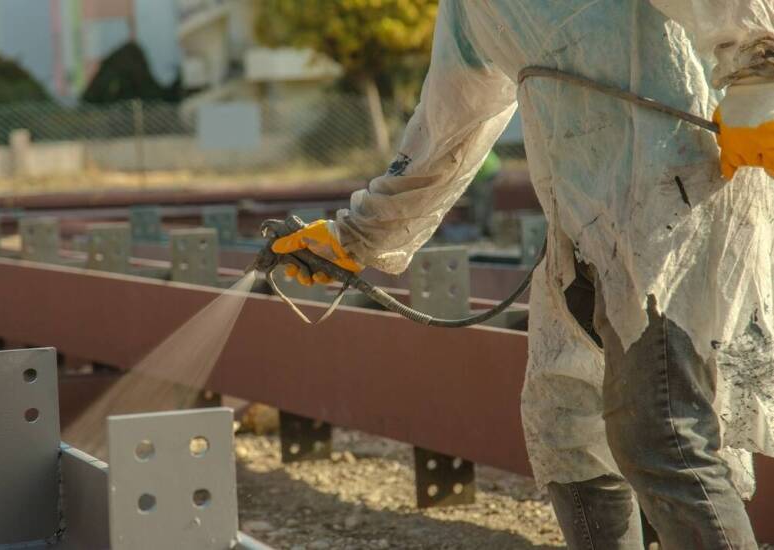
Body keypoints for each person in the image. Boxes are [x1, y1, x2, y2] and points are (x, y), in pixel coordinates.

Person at [271, 1, 774, 548]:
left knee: (663, 436)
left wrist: (759, 70)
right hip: (581, 225)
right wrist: (357, 235)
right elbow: (447, 129)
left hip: (681, 204)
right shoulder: (473, 8)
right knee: (565, 428)